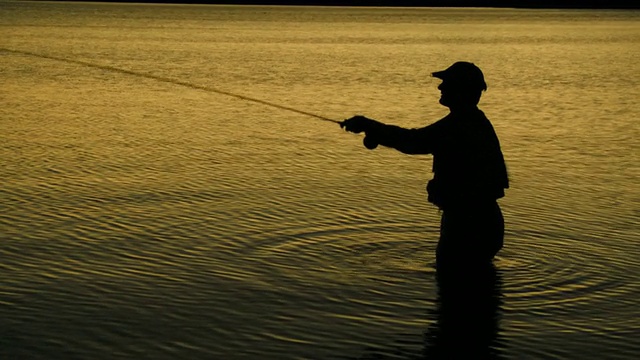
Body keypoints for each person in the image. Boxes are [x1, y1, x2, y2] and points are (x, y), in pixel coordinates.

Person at [341, 61, 508, 270]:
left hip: (469, 224)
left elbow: (414, 141)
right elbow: (415, 140)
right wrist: (375, 132)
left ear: (460, 90)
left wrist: (368, 125)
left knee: (456, 288)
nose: (440, 87)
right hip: (481, 221)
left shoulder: (461, 125)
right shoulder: (472, 121)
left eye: (446, 83)